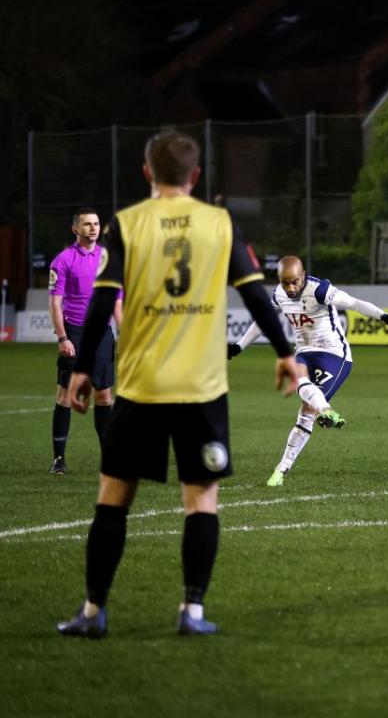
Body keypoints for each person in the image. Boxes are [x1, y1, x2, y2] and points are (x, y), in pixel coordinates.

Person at [57, 131, 303, 638]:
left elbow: (103, 302)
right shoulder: (220, 223)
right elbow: (256, 294)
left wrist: (82, 369)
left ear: (146, 173)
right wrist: (284, 353)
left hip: (142, 385)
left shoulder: (126, 225)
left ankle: (92, 612)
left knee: (112, 498)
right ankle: (191, 612)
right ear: (196, 175)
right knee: (201, 499)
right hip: (202, 387)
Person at [228, 256, 388, 486]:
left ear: (302, 276)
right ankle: (282, 470)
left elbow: (354, 303)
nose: (290, 288)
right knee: (300, 385)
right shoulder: (279, 295)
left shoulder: (320, 290)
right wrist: (240, 345)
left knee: (306, 411)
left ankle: (288, 460)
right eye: (285, 283)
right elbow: (264, 319)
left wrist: (386, 316)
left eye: (294, 282)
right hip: (304, 351)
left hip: (334, 355)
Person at [48, 207, 123, 475]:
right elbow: (55, 303)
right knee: (65, 396)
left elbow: (116, 301)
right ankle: (58, 458)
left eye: (96, 223)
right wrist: (63, 338)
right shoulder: (63, 260)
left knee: (104, 396)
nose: (93, 228)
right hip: (74, 333)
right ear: (75, 229)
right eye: (87, 224)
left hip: (102, 333)